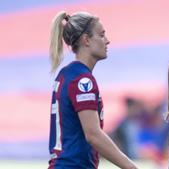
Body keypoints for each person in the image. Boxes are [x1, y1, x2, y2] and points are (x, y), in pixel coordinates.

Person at [48, 11, 137, 169]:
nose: (107, 41)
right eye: (102, 35)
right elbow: (93, 135)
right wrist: (131, 167)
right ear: (86, 40)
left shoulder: (66, 74)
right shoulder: (82, 80)